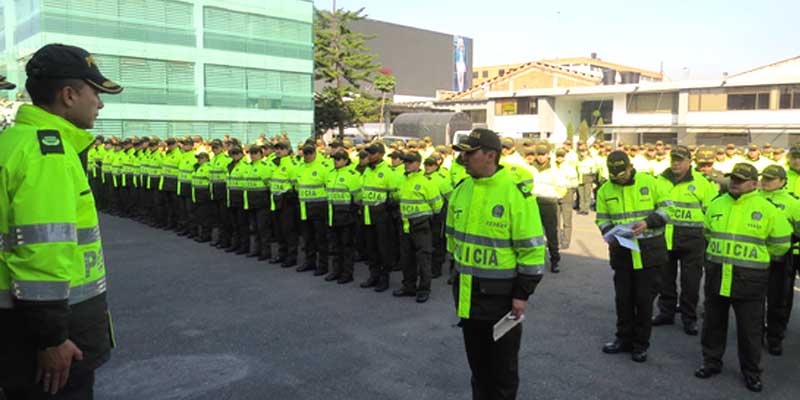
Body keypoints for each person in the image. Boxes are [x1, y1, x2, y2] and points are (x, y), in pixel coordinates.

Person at [0, 43, 122, 399]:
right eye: (95, 93)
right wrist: (52, 339)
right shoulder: (46, 152)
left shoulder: (15, 141)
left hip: (20, 330)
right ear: (69, 95)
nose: (100, 103)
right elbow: (43, 253)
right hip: (51, 344)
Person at [446, 128, 545, 400]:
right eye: (462, 153)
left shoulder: (515, 195)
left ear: (490, 155)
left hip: (501, 300)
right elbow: (452, 240)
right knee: (478, 370)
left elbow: (533, 252)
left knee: (502, 372)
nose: (463, 159)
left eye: (469, 153)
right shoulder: (462, 190)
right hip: (467, 295)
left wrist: (522, 294)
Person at [695, 163, 791, 392]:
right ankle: (711, 362)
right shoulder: (717, 204)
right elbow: (707, 233)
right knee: (712, 324)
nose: (735, 182)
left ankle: (751, 372)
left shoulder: (767, 209)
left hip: (750, 280)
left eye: (740, 179)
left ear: (753, 184)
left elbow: (781, 243)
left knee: (750, 331)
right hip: (718, 275)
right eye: (733, 178)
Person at [596, 151, 670, 363]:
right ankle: (623, 339)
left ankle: (640, 345)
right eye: (614, 173)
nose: (619, 177)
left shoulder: (650, 182)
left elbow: (667, 209)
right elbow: (602, 219)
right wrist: (609, 232)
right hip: (622, 251)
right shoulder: (604, 190)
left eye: (622, 172)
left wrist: (648, 222)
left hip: (649, 251)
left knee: (644, 300)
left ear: (630, 167)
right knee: (623, 299)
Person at [653, 146, 718, 335]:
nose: (676, 162)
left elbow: (712, 212)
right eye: (673, 159)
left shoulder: (702, 183)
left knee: (691, 282)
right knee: (665, 279)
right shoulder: (660, 181)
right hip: (666, 236)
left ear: (689, 162)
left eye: (680, 159)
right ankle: (666, 312)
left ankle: (689, 317)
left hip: (693, 240)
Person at [757, 165, 800, 356]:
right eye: (764, 178)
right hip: (755, 258)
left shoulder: (792, 203)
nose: (765, 181)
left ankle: (775, 337)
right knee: (754, 299)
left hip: (780, 259)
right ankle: (755, 334)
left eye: (771, 179)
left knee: (779, 300)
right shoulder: (753, 198)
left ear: (782, 181)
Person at [393, 151, 442, 303]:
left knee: (424, 259)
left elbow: (437, 205)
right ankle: (409, 286)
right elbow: (397, 197)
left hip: (420, 226)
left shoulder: (426, 181)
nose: (406, 164)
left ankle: (424, 289)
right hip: (405, 225)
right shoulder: (402, 179)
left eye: (410, 161)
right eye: (405, 161)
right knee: (407, 259)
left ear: (418, 163)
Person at [325, 150, 362, 284]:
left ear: (346, 160)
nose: (336, 161)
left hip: (347, 216)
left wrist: (352, 210)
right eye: (334, 158)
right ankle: (336, 271)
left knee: (346, 246)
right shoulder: (330, 174)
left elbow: (358, 196)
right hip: (332, 215)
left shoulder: (353, 175)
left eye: (339, 159)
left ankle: (347, 273)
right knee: (335, 246)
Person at [296, 141, 331, 275]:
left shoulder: (323, 166)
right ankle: (309, 262)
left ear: (315, 153)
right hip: (304, 207)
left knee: (320, 238)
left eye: (310, 152)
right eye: (305, 153)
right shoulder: (300, 167)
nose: (308, 155)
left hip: (319, 207)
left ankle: (323, 266)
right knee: (307, 238)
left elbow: (329, 187)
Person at [529, 144, 562, 272]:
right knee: (534, 234)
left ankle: (555, 260)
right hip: (534, 203)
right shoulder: (531, 169)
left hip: (549, 203)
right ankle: (535, 260)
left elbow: (563, 186)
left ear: (548, 155)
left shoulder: (554, 170)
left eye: (543, 154)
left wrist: (555, 196)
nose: (541, 157)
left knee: (551, 233)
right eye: (539, 154)